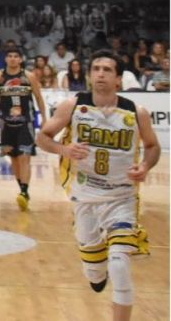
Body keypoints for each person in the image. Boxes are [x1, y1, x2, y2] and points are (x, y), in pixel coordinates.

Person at [37, 50, 159, 321]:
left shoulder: (136, 112)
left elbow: (152, 146)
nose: (100, 73)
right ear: (90, 75)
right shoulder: (73, 106)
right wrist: (64, 149)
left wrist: (145, 166)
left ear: (118, 79)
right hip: (85, 198)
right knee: (95, 273)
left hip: (122, 198)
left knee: (119, 265)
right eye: (96, 68)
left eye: (107, 69)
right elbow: (42, 137)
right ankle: (96, 271)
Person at [0, 48, 47, 210]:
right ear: (6, 59)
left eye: (16, 56)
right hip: (6, 123)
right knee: (14, 158)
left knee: (25, 156)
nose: (12, 59)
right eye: (9, 56)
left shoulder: (28, 76)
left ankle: (24, 191)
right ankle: (21, 187)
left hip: (26, 122)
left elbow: (38, 98)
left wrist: (45, 118)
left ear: (20, 59)